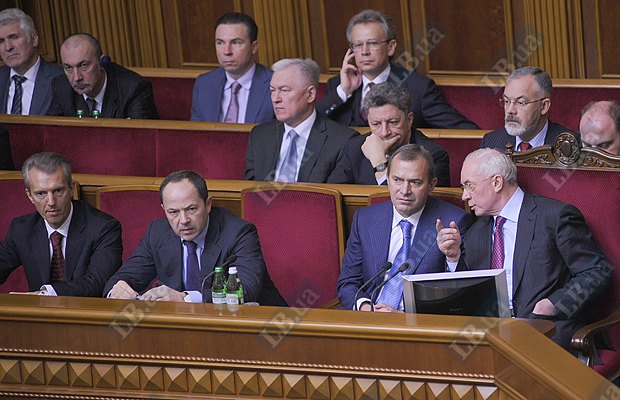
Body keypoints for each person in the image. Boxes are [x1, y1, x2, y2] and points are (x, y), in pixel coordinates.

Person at [436, 148, 610, 349]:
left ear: (497, 182)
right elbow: (469, 292)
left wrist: (553, 304)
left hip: (546, 331)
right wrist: (454, 257)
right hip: (490, 336)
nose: (464, 196)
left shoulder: (554, 217)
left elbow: (597, 272)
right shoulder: (476, 231)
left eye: (469, 186)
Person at [104, 170, 286, 305]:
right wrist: (119, 290)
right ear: (164, 210)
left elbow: (246, 290)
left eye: (191, 209)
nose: (183, 220)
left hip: (256, 327)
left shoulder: (238, 233)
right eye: (173, 212)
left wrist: (185, 298)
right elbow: (120, 279)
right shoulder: (158, 233)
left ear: (208, 204)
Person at [337, 144, 472, 312]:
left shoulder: (453, 222)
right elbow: (348, 282)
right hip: (368, 316)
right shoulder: (365, 219)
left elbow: (461, 296)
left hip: (418, 321)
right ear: (387, 179)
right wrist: (366, 308)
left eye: (415, 182)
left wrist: (453, 258)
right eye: (397, 180)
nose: (405, 190)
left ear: (432, 185)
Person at [317, 9, 477, 130]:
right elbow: (312, 128)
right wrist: (342, 92)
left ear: (391, 47)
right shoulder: (338, 86)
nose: (364, 51)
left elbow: (466, 133)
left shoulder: (419, 88)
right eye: (358, 45)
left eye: (372, 43)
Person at [0, 152, 123, 296]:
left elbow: (98, 282)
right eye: (41, 194)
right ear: (30, 196)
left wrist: (45, 294)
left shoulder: (103, 227)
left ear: (71, 189)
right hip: (38, 310)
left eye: (58, 191)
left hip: (87, 309)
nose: (51, 202)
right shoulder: (21, 228)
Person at [244, 58, 358, 183]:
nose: (275, 99)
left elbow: (333, 193)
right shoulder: (259, 135)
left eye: (284, 90)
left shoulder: (342, 141)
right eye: (272, 90)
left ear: (310, 95)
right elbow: (250, 190)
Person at [328, 82, 451, 186]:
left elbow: (400, 202)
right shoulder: (354, 148)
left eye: (393, 122)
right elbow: (331, 197)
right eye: (376, 124)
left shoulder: (433, 156)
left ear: (409, 120)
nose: (384, 132)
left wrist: (379, 163)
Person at [47, 33, 159, 119]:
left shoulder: (134, 89)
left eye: (84, 65)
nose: (76, 77)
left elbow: (144, 138)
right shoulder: (61, 88)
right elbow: (51, 134)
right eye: (68, 68)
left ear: (102, 62)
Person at [191, 12, 274, 123]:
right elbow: (197, 130)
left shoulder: (274, 84)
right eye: (220, 43)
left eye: (236, 43)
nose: (227, 51)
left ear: (253, 47)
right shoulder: (204, 83)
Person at [481, 66, 575, 151]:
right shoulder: (491, 142)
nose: (510, 110)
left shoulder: (570, 145)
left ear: (544, 106)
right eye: (506, 101)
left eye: (521, 102)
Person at [0, 8, 63, 115]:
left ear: (34, 40)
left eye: (13, 37)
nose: (8, 47)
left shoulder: (60, 79)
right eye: (1, 41)